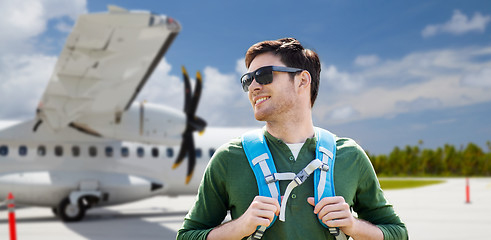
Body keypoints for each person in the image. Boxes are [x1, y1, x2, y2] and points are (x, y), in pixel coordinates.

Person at [177, 38, 408, 240]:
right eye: (248, 80)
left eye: (264, 75)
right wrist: (238, 227)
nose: (254, 87)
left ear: (302, 81)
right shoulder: (229, 158)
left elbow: (398, 233)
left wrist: (353, 226)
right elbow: (187, 236)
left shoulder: (350, 155)